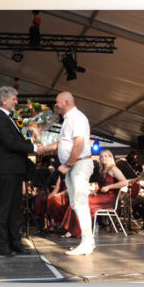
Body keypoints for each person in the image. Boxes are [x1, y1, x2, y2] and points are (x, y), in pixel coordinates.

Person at [37, 91, 94, 255]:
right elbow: (62, 143)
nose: (55, 105)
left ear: (67, 102)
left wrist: (68, 164)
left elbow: (79, 143)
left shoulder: (77, 118)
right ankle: (88, 241)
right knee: (76, 204)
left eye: (57, 102)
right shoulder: (68, 119)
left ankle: (86, 244)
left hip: (79, 164)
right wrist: (44, 149)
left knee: (80, 203)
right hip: (73, 165)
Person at [0, 86, 39, 256]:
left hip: (16, 170)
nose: (17, 102)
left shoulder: (9, 119)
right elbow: (11, 143)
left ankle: (15, 242)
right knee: (4, 209)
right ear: (4, 100)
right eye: (14, 99)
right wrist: (32, 147)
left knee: (15, 209)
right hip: (6, 170)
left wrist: (31, 139)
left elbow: (15, 141)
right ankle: (3, 245)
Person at [61, 148, 127, 240]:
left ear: (110, 157)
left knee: (83, 202)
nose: (103, 158)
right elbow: (102, 185)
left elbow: (124, 182)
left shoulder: (113, 168)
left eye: (105, 156)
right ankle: (71, 229)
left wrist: (109, 187)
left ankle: (75, 230)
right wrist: (95, 191)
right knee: (77, 200)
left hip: (108, 198)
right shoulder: (102, 170)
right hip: (101, 196)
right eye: (101, 156)